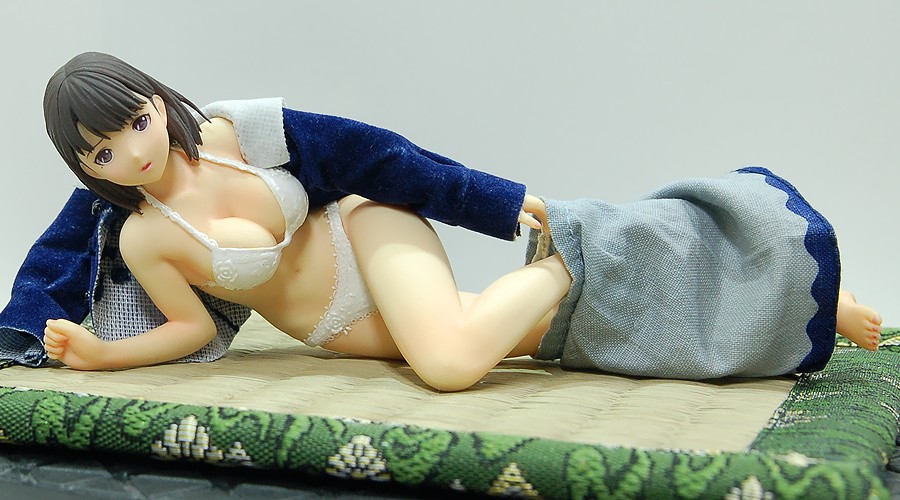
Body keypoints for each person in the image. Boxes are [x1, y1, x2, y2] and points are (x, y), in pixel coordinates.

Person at [34, 53, 882, 391]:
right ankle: (797, 299)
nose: (133, 153)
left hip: (369, 233)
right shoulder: (146, 237)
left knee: (449, 363)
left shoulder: (233, 135)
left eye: (135, 122)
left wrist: (492, 199)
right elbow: (187, 329)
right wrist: (103, 354)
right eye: (103, 152)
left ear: (157, 100)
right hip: (348, 329)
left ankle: (576, 247)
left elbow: (378, 156)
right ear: (85, 168)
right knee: (555, 333)